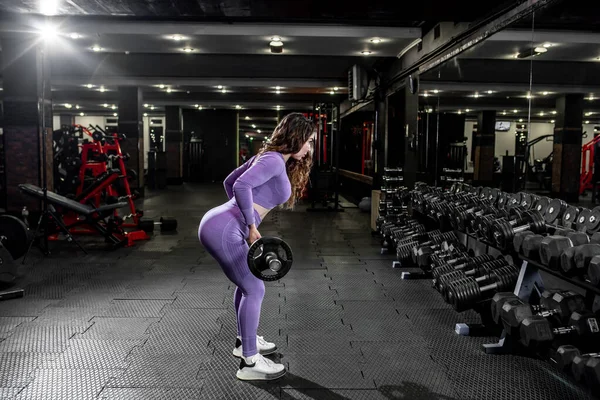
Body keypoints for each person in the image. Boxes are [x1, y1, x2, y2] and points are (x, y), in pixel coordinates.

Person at [198, 113, 316, 381]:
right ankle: (250, 363)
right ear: (296, 138)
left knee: (247, 285)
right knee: (255, 287)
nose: (309, 147)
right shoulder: (273, 160)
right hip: (225, 228)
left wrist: (239, 216)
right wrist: (248, 224)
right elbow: (240, 185)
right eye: (308, 141)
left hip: (222, 223)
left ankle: (245, 343)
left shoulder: (270, 157)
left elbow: (229, 182)